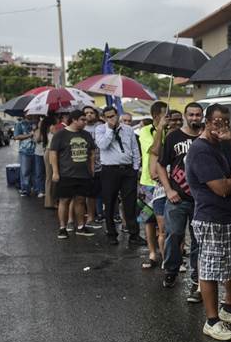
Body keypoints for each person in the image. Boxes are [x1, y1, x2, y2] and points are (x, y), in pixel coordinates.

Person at [186, 103, 231, 341]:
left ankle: (230, 308)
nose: (221, 125)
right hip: (212, 219)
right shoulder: (200, 150)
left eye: (226, 121)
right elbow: (221, 188)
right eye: (217, 121)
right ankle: (212, 321)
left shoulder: (225, 143)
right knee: (211, 269)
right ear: (206, 121)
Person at [157, 102, 203, 294]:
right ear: (185, 115)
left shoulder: (206, 137)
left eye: (197, 115)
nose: (194, 118)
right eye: (191, 115)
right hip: (177, 198)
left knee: (198, 240)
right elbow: (161, 165)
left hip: (201, 200)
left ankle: (197, 277)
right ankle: (171, 270)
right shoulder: (174, 137)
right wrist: (168, 190)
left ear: (202, 116)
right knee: (174, 235)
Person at [94, 106, 144, 247]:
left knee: (130, 203)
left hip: (128, 170)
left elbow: (134, 149)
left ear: (118, 115)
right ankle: (111, 234)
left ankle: (134, 234)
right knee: (110, 202)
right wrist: (110, 129)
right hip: (110, 170)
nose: (112, 119)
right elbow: (102, 145)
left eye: (113, 116)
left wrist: (135, 168)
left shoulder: (127, 129)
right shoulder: (101, 129)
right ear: (104, 118)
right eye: (108, 117)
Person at [49, 109, 96, 240]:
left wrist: (91, 169)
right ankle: (62, 228)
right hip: (66, 174)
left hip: (83, 174)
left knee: (80, 200)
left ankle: (81, 226)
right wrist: (55, 172)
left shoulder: (86, 135)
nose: (85, 122)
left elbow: (92, 152)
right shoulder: (60, 135)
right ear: (74, 120)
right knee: (64, 200)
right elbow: (53, 154)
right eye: (82, 119)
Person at [137, 101, 168, 269]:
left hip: (165, 184)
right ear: (156, 116)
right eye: (165, 114)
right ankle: (152, 253)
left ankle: (167, 256)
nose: (168, 117)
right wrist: (161, 130)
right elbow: (153, 150)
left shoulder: (170, 131)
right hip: (147, 183)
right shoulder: (144, 131)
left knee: (165, 223)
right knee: (148, 221)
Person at [14, 113, 40, 197]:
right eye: (27, 112)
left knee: (36, 171)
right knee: (25, 171)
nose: (29, 114)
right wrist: (29, 135)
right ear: (24, 113)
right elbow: (16, 136)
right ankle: (25, 189)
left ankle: (37, 189)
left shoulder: (37, 122)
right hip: (25, 150)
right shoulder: (20, 124)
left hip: (37, 150)